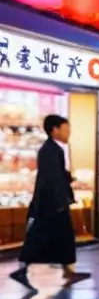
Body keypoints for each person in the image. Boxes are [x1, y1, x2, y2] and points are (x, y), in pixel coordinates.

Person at [10, 115, 89, 289]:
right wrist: (60, 201)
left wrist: (67, 178)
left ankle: (63, 270)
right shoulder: (50, 150)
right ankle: (35, 269)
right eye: (66, 130)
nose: (69, 133)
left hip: (52, 201)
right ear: (54, 130)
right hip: (52, 202)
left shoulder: (54, 149)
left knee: (52, 237)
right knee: (47, 236)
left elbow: (57, 175)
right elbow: (52, 178)